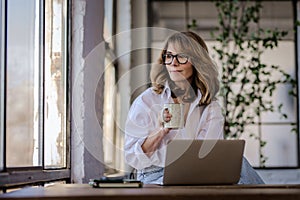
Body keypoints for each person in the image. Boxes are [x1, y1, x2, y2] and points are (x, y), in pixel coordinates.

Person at [124, 31, 264, 184]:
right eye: (169, 56)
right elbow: (132, 158)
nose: (173, 63)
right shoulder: (147, 100)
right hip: (154, 173)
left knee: (240, 165)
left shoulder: (210, 107)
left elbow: (208, 156)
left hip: (196, 171)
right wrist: (161, 132)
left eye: (181, 56)